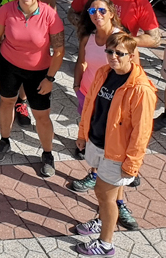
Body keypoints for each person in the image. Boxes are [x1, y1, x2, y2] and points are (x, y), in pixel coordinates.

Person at [72, 33, 157, 256]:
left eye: (119, 53)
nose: (113, 57)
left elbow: (142, 132)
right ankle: (102, 221)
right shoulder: (103, 73)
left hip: (118, 153)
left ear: (132, 55)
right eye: (110, 51)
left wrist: (132, 164)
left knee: (104, 194)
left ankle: (106, 243)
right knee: (107, 191)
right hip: (99, 142)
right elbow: (90, 105)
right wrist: (82, 134)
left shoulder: (141, 89)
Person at [0, 0, 65, 177]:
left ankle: (48, 154)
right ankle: (4, 141)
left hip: (39, 71)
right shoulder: (6, 10)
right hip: (9, 65)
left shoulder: (49, 14)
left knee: (41, 115)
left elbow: (59, 50)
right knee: (6, 102)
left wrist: (50, 78)